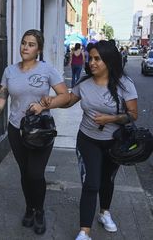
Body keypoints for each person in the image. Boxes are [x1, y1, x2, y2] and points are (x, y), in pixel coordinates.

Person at [41, 40, 138, 240]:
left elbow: (133, 114)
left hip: (114, 142)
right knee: (91, 183)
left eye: (97, 59)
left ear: (109, 61)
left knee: (107, 180)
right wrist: (51, 103)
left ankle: (104, 213)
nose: (91, 62)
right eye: (90, 58)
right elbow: (68, 101)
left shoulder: (124, 84)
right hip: (88, 140)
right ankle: (84, 231)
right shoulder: (84, 84)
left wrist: (111, 119)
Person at [0, 29, 70, 235]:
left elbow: (65, 96)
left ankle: (40, 211)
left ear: (38, 49)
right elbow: (1, 100)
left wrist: (46, 105)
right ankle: (30, 207)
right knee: (24, 172)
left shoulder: (47, 70)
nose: (25, 47)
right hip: (17, 130)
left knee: (36, 174)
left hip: (40, 130)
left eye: (31, 44)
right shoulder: (10, 71)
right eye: (23, 43)